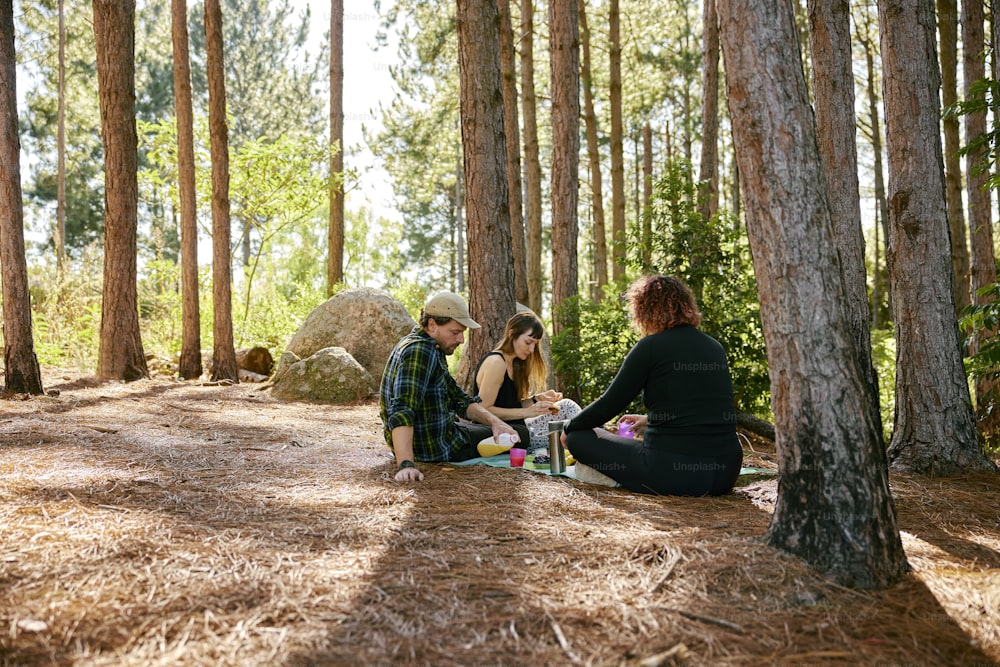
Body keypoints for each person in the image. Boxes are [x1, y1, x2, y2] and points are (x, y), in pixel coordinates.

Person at [561, 275, 742, 496]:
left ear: (644, 310)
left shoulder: (650, 347)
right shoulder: (715, 347)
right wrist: (649, 420)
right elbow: (704, 408)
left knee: (579, 438)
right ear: (686, 306)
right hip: (726, 473)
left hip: (672, 473)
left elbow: (608, 405)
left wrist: (568, 427)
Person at [380, 291, 520, 482]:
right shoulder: (420, 352)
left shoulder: (429, 347)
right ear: (432, 324)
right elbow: (402, 409)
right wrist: (406, 464)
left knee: (505, 429)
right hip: (437, 447)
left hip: (442, 435)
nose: (461, 340)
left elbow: (458, 399)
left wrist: (496, 423)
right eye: (455, 332)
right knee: (522, 433)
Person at [473, 311, 581, 451]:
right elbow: (483, 410)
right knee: (571, 432)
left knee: (567, 406)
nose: (531, 349)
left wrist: (537, 400)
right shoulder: (496, 362)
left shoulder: (516, 363)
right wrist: (528, 412)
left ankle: (594, 436)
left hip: (520, 425)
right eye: (528, 342)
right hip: (502, 433)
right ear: (512, 334)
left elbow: (510, 403)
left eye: (535, 344)